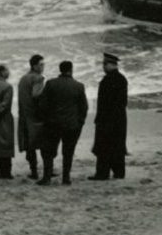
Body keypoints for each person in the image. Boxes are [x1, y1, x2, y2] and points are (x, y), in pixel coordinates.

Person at [36, 60, 88, 186]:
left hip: (53, 124)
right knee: (68, 152)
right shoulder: (79, 86)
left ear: (60, 70)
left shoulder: (51, 84)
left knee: (48, 152)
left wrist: (46, 119)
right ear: (71, 70)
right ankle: (66, 178)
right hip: (71, 125)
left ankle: (47, 178)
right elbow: (84, 107)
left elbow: (43, 104)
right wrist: (80, 122)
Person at [89, 53, 128, 181]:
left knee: (103, 147)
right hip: (120, 119)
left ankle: (102, 173)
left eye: (105, 64)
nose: (103, 67)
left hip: (106, 119)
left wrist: (99, 119)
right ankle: (119, 172)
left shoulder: (106, 81)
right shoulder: (122, 79)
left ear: (111, 65)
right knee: (118, 145)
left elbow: (103, 104)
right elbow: (123, 102)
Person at [17, 55, 46, 179]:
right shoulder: (38, 78)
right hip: (36, 116)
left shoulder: (23, 78)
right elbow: (36, 95)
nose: (43, 67)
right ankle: (46, 170)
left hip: (24, 116)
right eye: (41, 65)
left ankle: (33, 170)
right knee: (45, 145)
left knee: (30, 146)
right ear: (34, 66)